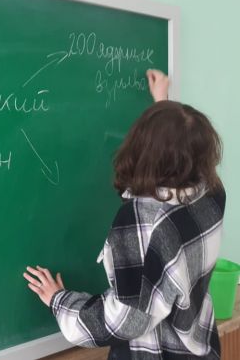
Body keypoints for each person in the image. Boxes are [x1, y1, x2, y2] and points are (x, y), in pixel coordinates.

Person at [23, 69, 225, 359]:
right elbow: (180, 152)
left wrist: (61, 301)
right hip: (199, 348)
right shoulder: (212, 193)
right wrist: (162, 104)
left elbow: (127, 320)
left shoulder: (141, 221)